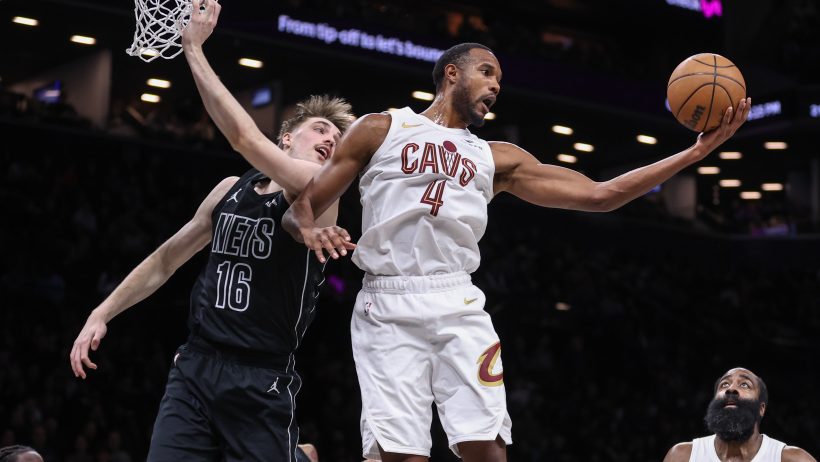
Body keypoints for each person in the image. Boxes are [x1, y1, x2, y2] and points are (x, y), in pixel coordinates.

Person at [277, 42, 753, 461]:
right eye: (487, 71)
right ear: (451, 73)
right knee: (402, 454)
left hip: (456, 300)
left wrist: (694, 153)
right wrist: (309, 230)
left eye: (499, 79)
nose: (496, 85)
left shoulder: (497, 157)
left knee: (487, 447)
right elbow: (301, 208)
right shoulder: (381, 128)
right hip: (387, 300)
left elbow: (602, 194)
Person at [68, 1, 355, 460]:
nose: (328, 141)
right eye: (320, 129)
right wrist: (102, 312)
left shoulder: (322, 191)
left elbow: (243, 138)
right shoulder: (229, 189)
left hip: (260, 375)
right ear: (286, 138)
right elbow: (165, 259)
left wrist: (193, 48)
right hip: (197, 363)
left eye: (336, 142)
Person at [663, 367, 815, 462]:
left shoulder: (792, 459)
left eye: (744, 384)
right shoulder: (682, 457)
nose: (731, 389)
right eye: (725, 384)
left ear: (761, 408)